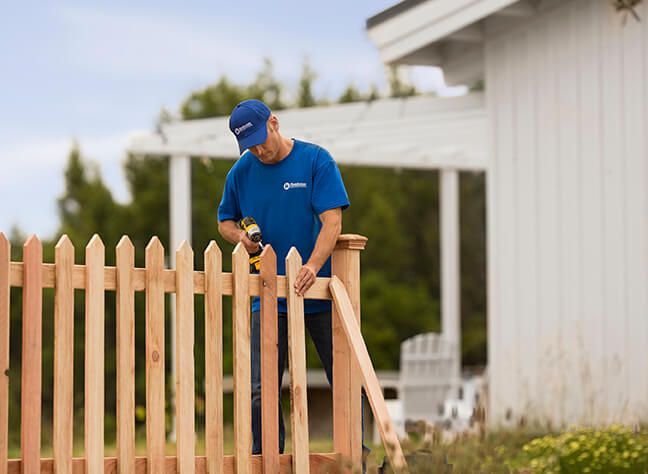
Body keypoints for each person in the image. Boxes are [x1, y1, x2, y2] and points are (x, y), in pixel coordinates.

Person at [217, 99, 352, 456]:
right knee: (261, 388)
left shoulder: (316, 160)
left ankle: (357, 459)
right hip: (269, 294)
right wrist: (240, 239)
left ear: (274, 123)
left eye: (262, 139)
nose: (258, 150)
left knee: (345, 381)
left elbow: (333, 222)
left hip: (322, 293)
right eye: (250, 146)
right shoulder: (241, 173)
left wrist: (311, 266)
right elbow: (225, 221)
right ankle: (267, 460)